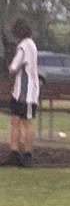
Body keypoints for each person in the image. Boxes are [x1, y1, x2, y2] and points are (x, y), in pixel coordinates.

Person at [5, 18, 39, 168]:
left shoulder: (23, 46)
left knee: (25, 122)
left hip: (27, 92)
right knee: (15, 121)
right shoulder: (32, 44)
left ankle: (26, 154)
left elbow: (13, 67)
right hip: (20, 91)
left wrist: (8, 65)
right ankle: (15, 153)